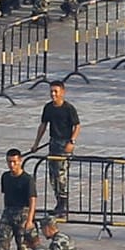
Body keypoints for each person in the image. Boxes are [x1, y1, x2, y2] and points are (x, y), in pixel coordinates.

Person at [32, 81, 81, 216]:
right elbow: (43, 126)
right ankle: (59, 202)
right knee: (52, 176)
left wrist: (72, 141)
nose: (53, 94)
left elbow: (77, 126)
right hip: (53, 143)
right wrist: (36, 143)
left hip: (65, 144)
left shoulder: (69, 108)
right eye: (51, 91)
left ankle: (63, 203)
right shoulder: (48, 108)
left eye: (56, 91)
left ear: (62, 92)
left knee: (61, 175)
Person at [0, 148, 37, 250]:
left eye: (14, 162)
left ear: (20, 161)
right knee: (1, 249)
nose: (11, 165)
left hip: (22, 213)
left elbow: (32, 200)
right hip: (8, 212)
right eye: (9, 162)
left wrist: (30, 220)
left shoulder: (27, 179)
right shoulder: (5, 177)